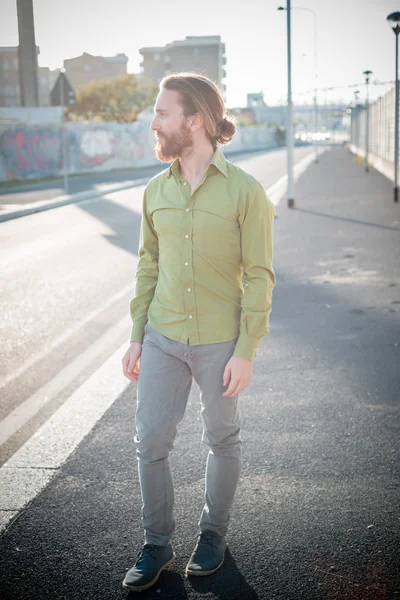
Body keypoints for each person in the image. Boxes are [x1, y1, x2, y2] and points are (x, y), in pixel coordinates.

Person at [121, 72, 275, 593]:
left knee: (222, 438)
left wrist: (246, 350)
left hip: (218, 342)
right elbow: (148, 266)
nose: (154, 122)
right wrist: (137, 334)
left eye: (163, 112)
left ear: (196, 120)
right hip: (163, 336)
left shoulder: (246, 191)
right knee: (150, 442)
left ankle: (213, 535)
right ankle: (156, 543)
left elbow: (259, 274)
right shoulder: (154, 190)